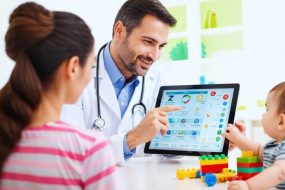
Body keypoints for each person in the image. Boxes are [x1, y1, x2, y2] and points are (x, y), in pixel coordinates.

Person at [0, 2, 117, 189]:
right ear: (72, 67)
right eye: (92, 65)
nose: (91, 74)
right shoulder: (90, 150)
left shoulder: (6, 136)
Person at [61, 0, 180, 163]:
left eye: (161, 46)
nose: (155, 55)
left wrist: (204, 143)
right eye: (148, 42)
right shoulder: (76, 76)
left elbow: (164, 148)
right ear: (119, 30)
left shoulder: (158, 78)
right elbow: (69, 152)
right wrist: (133, 138)